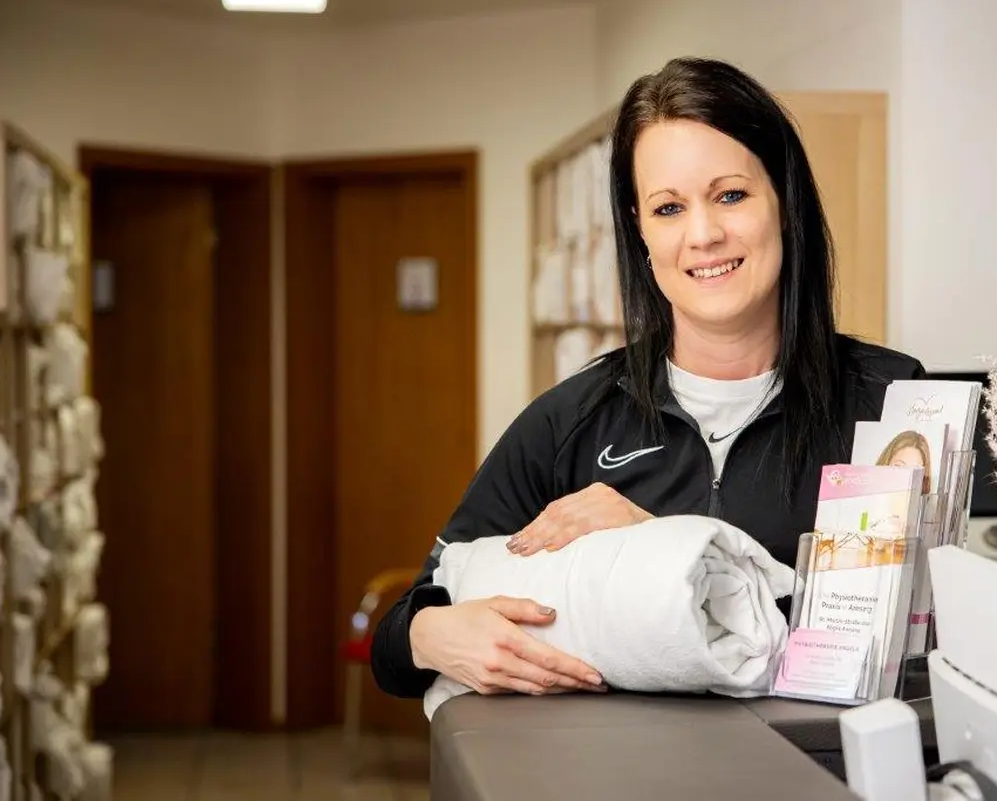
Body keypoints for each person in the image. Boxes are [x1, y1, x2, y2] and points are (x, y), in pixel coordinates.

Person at [370, 56, 925, 702]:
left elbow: (918, 643)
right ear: (639, 230)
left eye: (731, 195)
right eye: (668, 208)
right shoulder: (573, 419)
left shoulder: (891, 402)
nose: (704, 234)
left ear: (786, 203)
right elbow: (400, 635)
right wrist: (431, 634)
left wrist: (661, 546)